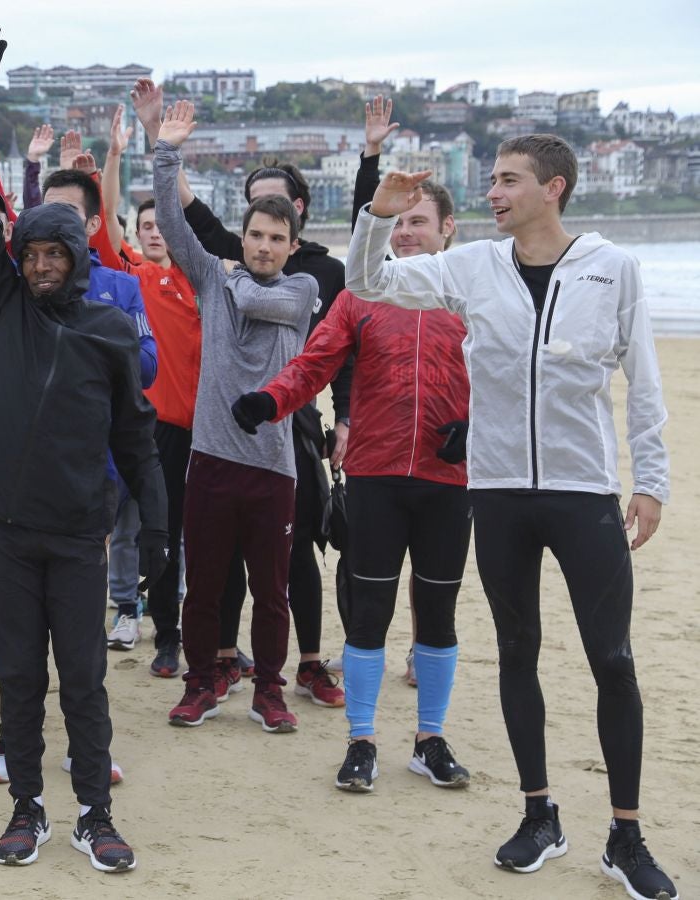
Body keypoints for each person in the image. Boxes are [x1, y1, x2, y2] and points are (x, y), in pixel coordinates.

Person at [346, 134, 675, 900]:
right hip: (494, 493)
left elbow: (646, 383)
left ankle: (625, 836)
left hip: (584, 492)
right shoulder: (471, 267)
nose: (492, 192)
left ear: (553, 188)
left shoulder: (611, 268)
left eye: (507, 180)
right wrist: (376, 214)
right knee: (517, 651)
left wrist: (649, 482)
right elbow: (370, 280)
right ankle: (539, 817)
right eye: (490, 180)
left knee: (613, 662)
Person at [0, 22, 166, 873]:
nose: (40, 264)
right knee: (17, 679)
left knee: (83, 678)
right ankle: (28, 808)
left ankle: (95, 815)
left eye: (54, 252)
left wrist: (155, 527)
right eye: (30, 252)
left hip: (79, 531)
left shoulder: (110, 331)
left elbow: (135, 436)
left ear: (78, 256)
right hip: (3, 529)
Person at [242, 167, 473, 792]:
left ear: (448, 228)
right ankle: (362, 741)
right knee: (368, 616)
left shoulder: (473, 295)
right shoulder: (364, 294)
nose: (407, 232)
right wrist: (271, 400)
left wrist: (474, 423)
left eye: (418, 221)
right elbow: (315, 361)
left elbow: (510, 376)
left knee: (439, 613)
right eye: (397, 223)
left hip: (449, 479)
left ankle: (430, 739)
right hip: (374, 474)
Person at [132, 80, 349, 703]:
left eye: (277, 239)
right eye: (255, 236)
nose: (263, 246)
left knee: (273, 588)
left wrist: (227, 279)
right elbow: (174, 223)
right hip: (212, 458)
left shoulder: (303, 289)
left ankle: (272, 692)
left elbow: (260, 297)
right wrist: (165, 151)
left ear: (291, 245)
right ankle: (202, 682)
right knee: (203, 585)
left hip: (275, 463)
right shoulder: (213, 275)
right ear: (245, 235)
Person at [95, 105, 201, 668]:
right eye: (145, 228)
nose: (154, 233)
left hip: (184, 429)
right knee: (121, 525)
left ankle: (169, 631)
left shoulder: (196, 279)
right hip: (134, 423)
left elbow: (185, 219)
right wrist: (114, 155)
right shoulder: (128, 276)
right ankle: (125, 610)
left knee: (171, 532)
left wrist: (163, 140)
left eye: (161, 226)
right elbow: (104, 218)